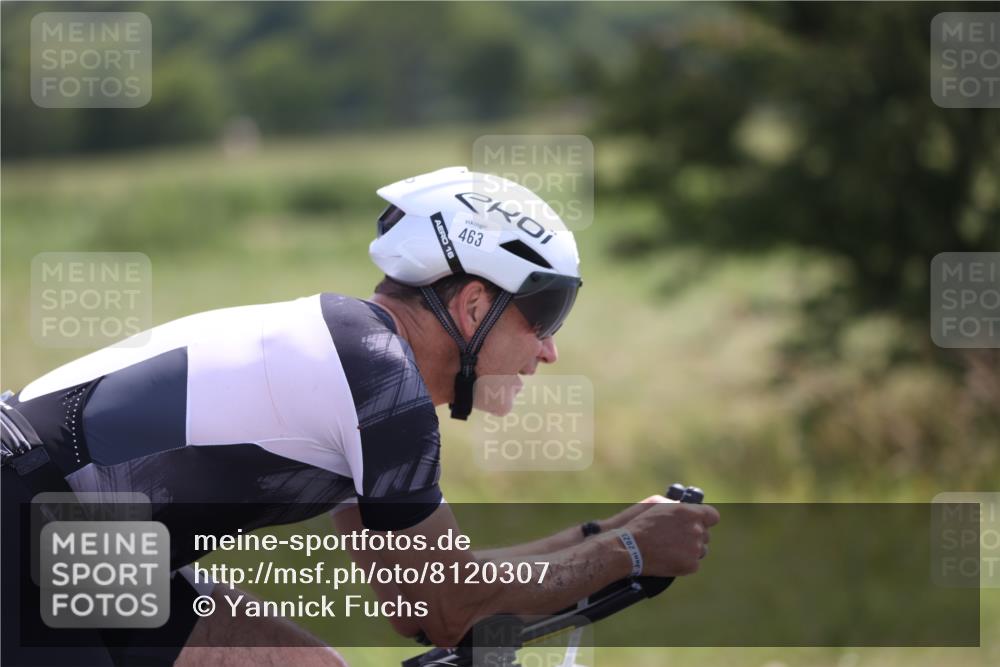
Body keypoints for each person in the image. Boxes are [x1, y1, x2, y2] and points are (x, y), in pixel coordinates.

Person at [1, 166, 718, 666]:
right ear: (473, 304)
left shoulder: (360, 374)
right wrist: (626, 554)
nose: (551, 349)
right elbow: (451, 610)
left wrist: (604, 535)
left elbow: (414, 602)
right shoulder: (373, 375)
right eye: (545, 313)